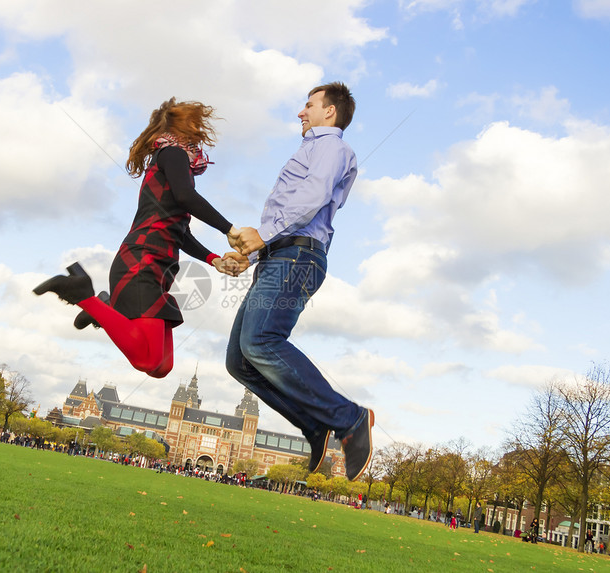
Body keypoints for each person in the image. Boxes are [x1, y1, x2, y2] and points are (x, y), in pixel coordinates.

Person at [34, 98, 244, 378]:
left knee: (161, 367)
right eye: (195, 122)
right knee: (147, 361)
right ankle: (82, 294)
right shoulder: (172, 154)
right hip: (142, 260)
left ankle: (104, 307)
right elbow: (185, 197)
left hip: (158, 265)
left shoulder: (173, 159)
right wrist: (229, 229)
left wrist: (214, 260)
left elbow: (181, 230)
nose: (200, 130)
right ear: (182, 127)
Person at [226, 82, 373, 482]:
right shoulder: (312, 148)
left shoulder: (332, 147)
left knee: (260, 342)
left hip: (298, 256)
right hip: (280, 254)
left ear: (330, 112)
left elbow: (312, 196)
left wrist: (265, 232)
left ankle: (349, 418)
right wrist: (250, 255)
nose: (300, 112)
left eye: (309, 105)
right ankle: (314, 424)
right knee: (239, 362)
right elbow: (295, 207)